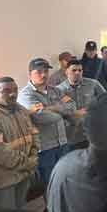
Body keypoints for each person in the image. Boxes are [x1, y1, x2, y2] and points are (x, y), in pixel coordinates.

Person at [0, 77, 39, 211]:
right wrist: (28, 163)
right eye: (6, 91)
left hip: (23, 173)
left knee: (21, 210)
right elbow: (0, 153)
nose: (12, 94)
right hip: (4, 179)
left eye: (15, 90)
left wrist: (34, 156)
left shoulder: (21, 110)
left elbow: (34, 134)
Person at [18, 58, 76, 187]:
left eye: (46, 71)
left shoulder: (55, 90)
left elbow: (72, 106)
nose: (43, 75)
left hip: (63, 143)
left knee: (65, 181)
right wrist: (63, 113)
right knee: (50, 185)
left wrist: (52, 108)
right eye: (39, 72)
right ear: (30, 74)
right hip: (45, 149)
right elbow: (42, 117)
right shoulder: (25, 95)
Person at [57, 59, 106, 150]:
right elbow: (57, 112)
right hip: (72, 136)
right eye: (74, 70)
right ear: (66, 72)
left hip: (93, 133)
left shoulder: (93, 84)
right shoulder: (59, 90)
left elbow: (106, 101)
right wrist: (73, 113)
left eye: (80, 70)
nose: (77, 73)